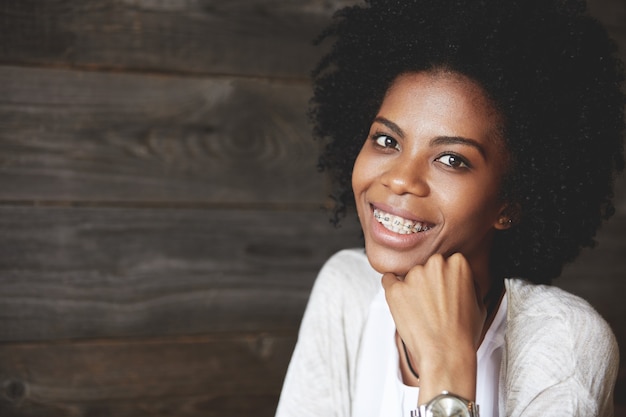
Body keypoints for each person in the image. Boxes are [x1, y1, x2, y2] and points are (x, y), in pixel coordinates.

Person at [275, 0, 624, 416]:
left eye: (452, 160)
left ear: (510, 202)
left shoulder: (564, 339)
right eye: (387, 140)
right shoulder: (347, 288)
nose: (400, 178)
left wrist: (448, 370)